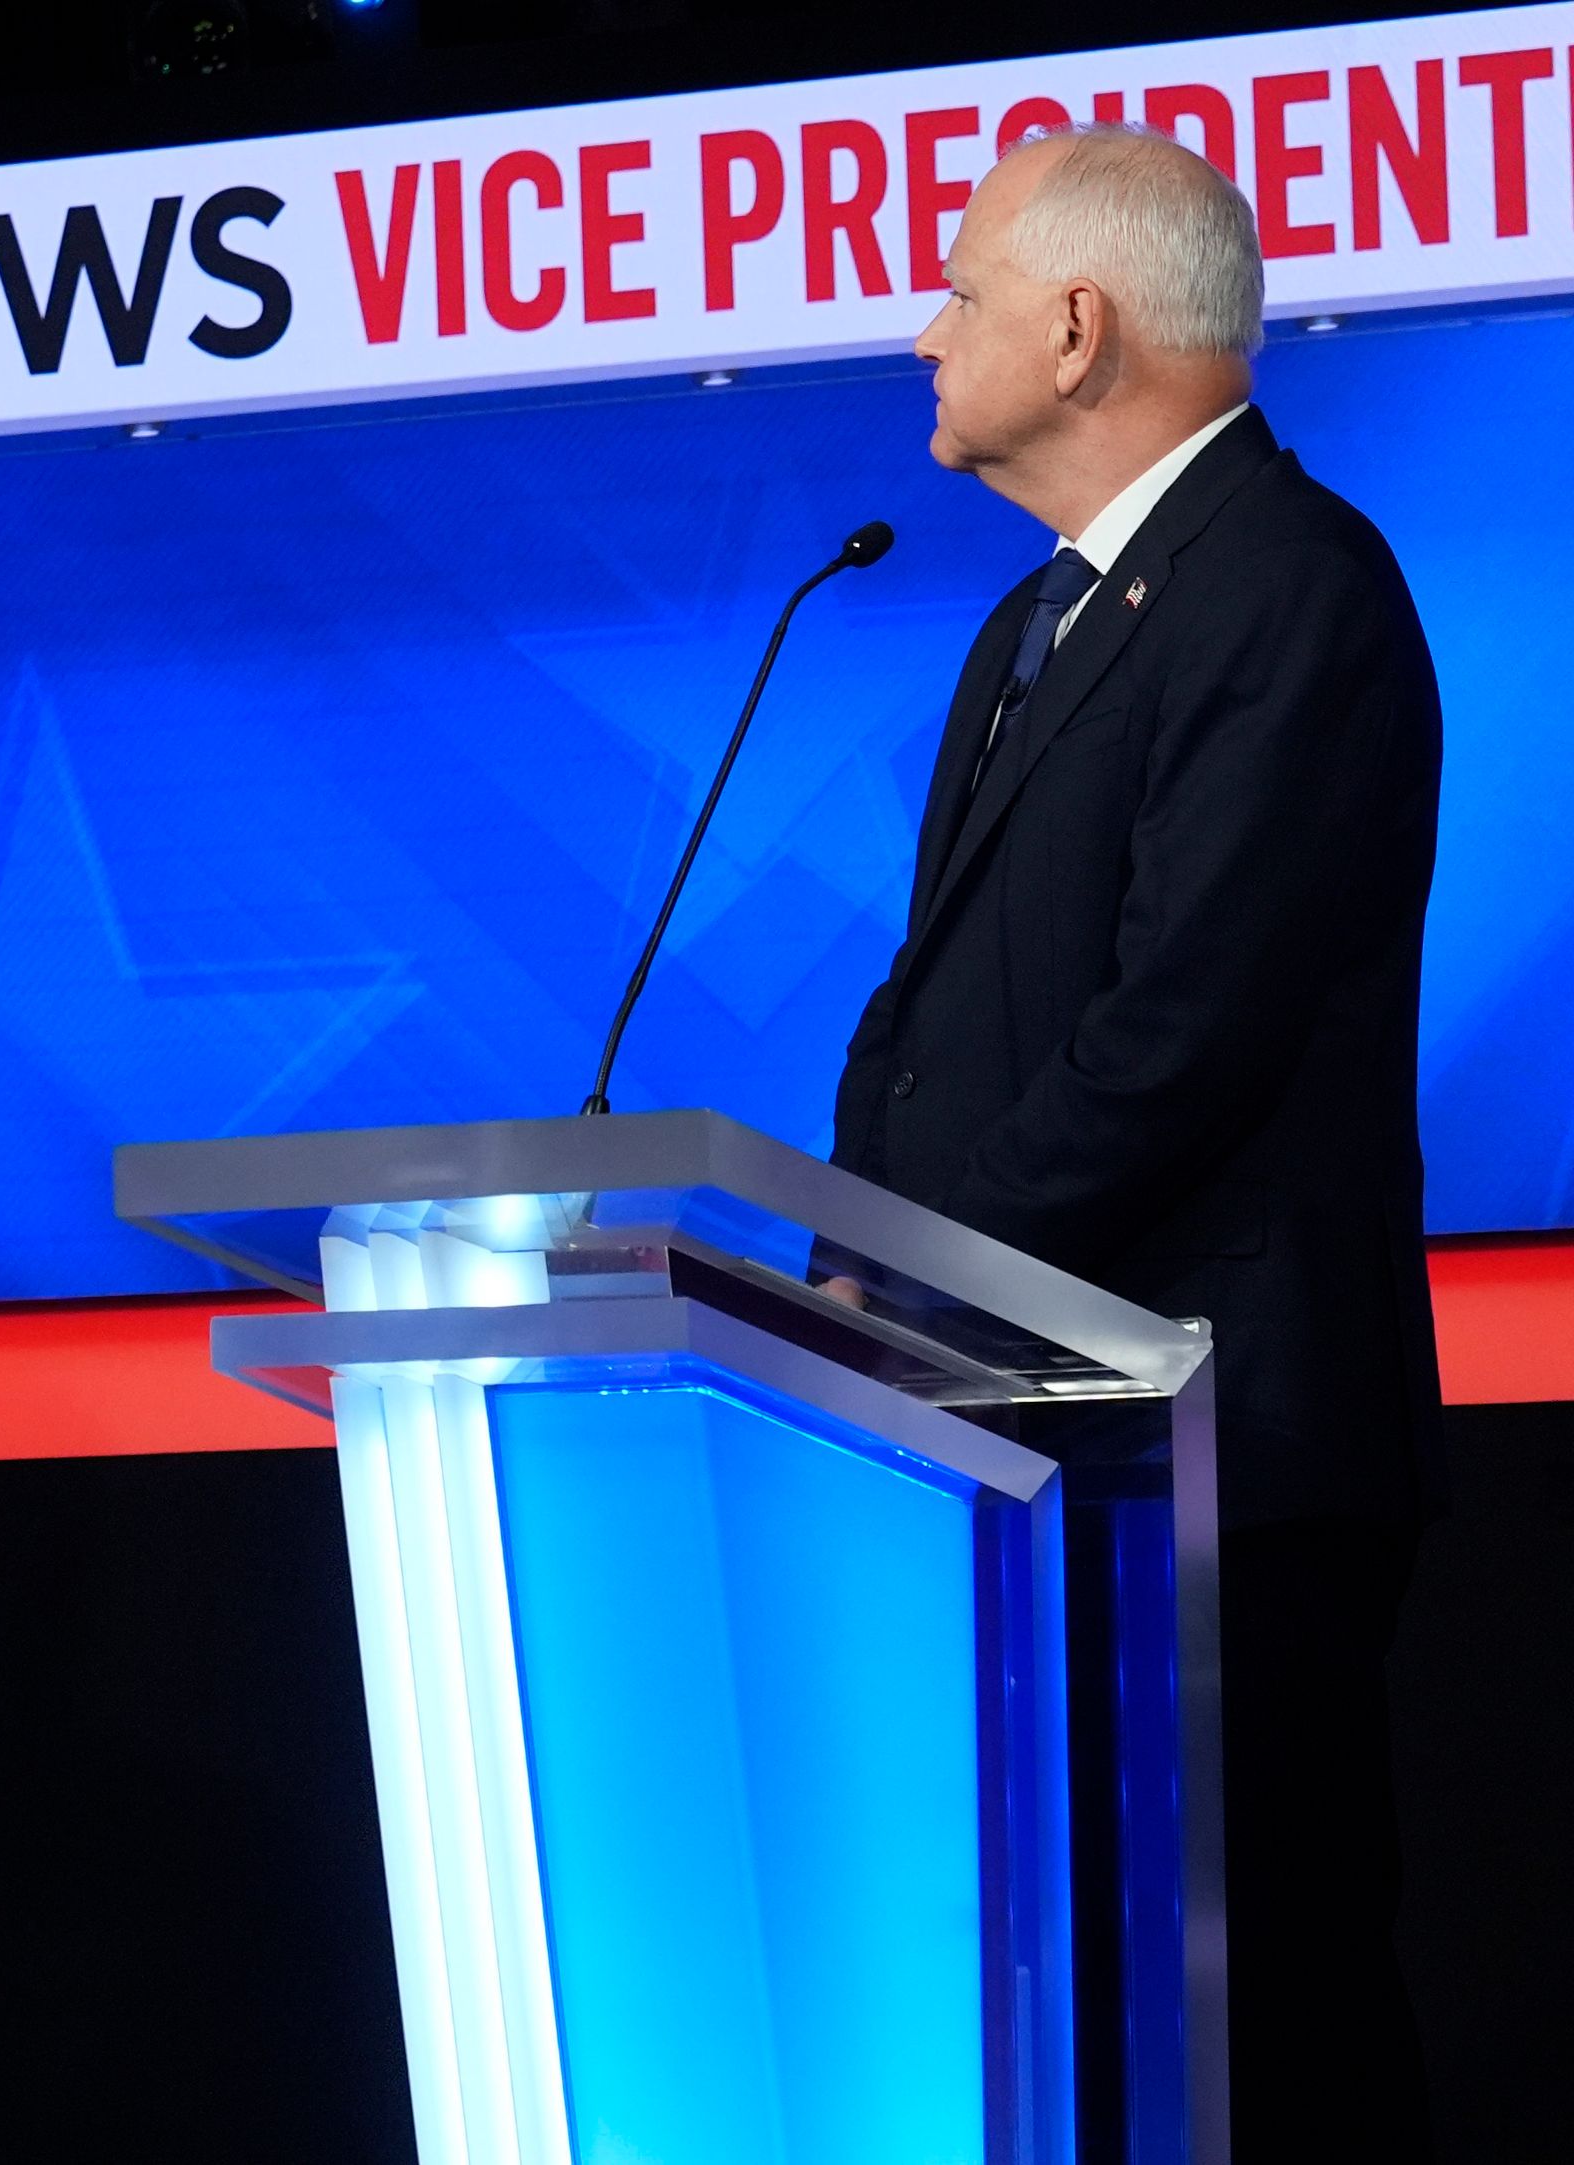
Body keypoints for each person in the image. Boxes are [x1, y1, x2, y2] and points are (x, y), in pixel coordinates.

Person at [833, 125, 1441, 2153]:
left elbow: (1187, 1032)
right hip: (1033, 1448)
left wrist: (908, 1265)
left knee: (1266, 2042)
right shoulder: (1027, 633)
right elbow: (940, 1013)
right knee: (1077, 2047)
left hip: (1223, 1462)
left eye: (966, 291)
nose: (928, 334)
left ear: (1079, 329)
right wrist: (840, 1241)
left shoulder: (1294, 588)